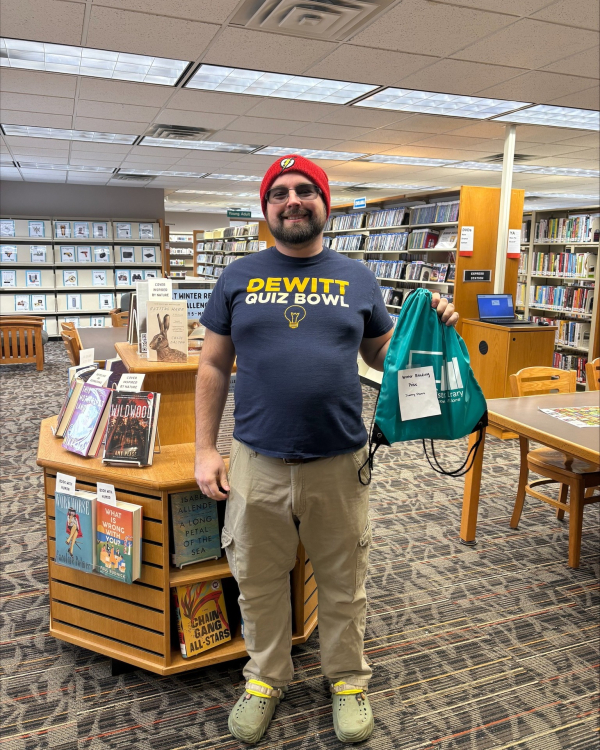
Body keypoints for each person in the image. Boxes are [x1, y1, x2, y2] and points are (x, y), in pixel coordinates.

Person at [195, 155, 459, 745]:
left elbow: (380, 357)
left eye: (306, 190)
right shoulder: (237, 276)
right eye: (281, 192)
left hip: (339, 461)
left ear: (325, 203)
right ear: (266, 209)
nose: (294, 200)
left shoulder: (358, 277)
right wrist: (203, 450)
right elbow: (213, 364)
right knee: (257, 579)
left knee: (344, 580)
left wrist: (431, 325)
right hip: (256, 461)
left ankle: (347, 680)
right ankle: (265, 677)